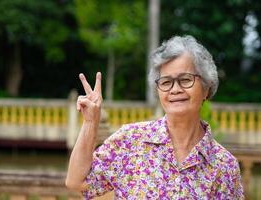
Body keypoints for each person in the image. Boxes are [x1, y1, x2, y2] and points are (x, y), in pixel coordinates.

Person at [65, 35, 244, 199]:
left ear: (206, 88)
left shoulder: (224, 166)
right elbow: (77, 182)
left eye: (186, 79)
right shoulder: (130, 140)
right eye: (166, 82)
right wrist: (90, 123)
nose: (175, 89)